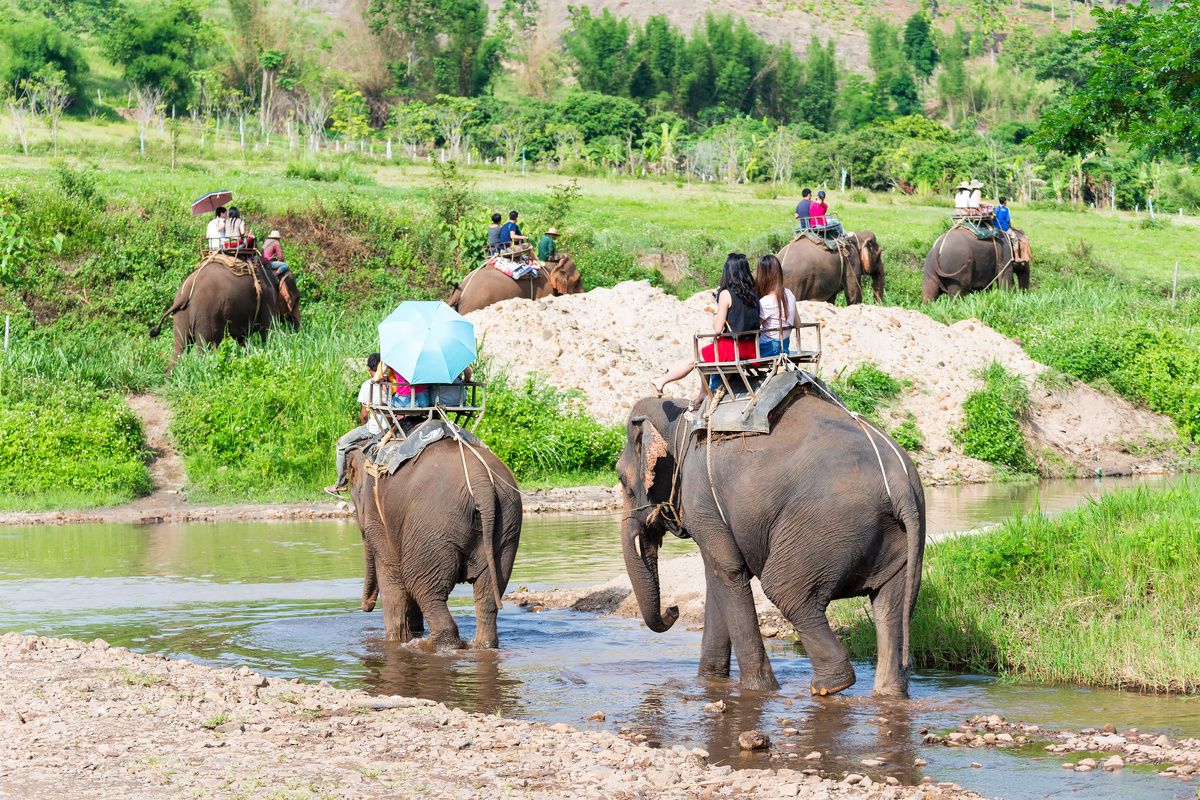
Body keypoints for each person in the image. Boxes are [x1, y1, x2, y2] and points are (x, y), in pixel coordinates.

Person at [651, 253, 761, 405]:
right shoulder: (754, 295)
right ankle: (703, 392)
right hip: (751, 349)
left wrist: (716, 313)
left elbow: (717, 329)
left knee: (694, 359)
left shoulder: (726, 294)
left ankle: (661, 381)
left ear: (728, 271)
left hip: (732, 349)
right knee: (707, 353)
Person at [324, 353, 386, 497]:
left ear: (370, 369)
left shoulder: (368, 385)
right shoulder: (392, 385)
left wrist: (366, 426)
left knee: (341, 444)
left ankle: (340, 484)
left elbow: (364, 414)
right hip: (390, 427)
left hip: (374, 429)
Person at [756, 255, 797, 357]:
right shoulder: (789, 294)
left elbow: (753, 328)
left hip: (768, 348)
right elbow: (798, 323)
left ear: (762, 276)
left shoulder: (766, 302)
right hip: (785, 345)